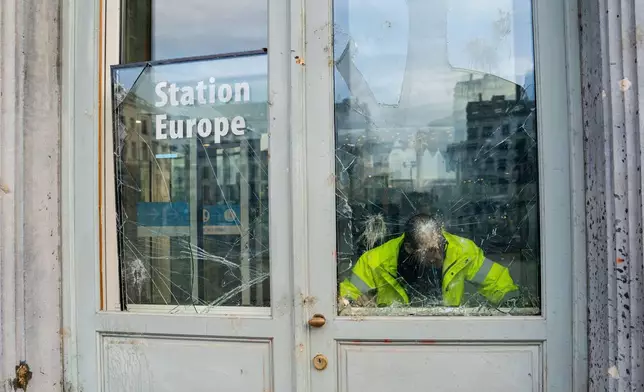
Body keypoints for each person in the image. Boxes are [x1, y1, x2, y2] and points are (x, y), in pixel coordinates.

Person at [339, 213, 519, 307]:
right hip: (395, 336)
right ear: (409, 248)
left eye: (441, 246)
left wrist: (515, 306)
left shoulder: (463, 252)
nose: (439, 256)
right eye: (430, 251)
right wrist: (353, 303)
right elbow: (348, 294)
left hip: (446, 332)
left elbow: (498, 282)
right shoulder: (375, 261)